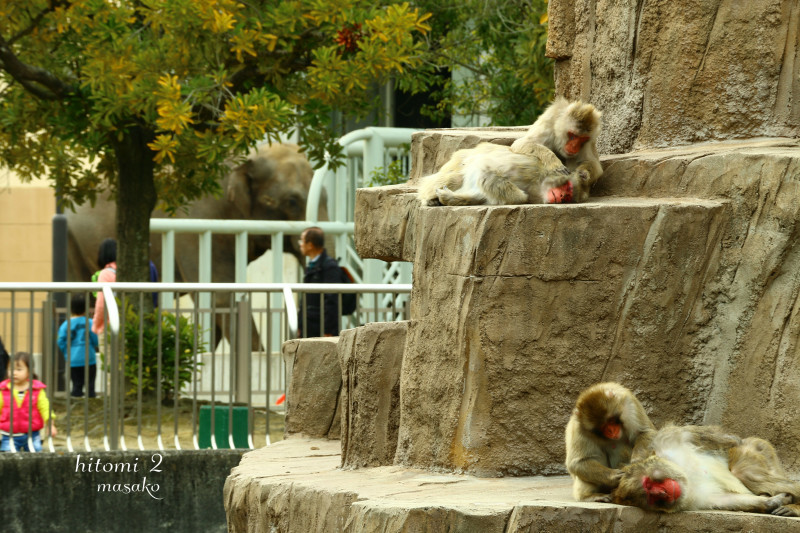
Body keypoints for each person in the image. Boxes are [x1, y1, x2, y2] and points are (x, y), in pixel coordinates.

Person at [0, 352, 57, 452]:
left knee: (35, 455)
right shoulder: (4, 389)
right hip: (9, 435)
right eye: (10, 369)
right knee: (8, 457)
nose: (14, 373)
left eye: (19, 369)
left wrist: (50, 425)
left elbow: (45, 408)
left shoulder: (36, 389)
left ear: (29, 371)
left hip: (32, 434)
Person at [297, 227, 345, 337]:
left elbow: (331, 299)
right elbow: (305, 299)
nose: (300, 244)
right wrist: (300, 325)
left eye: (302, 240)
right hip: (308, 326)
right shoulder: (312, 266)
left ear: (310, 245)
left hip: (322, 328)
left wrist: (329, 330)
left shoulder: (329, 266)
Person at [57, 294, 99, 398]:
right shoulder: (90, 322)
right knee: (90, 386)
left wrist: (67, 353)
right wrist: (93, 345)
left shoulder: (67, 324)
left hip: (73, 360)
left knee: (76, 386)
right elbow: (95, 339)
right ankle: (90, 404)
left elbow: (60, 340)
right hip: (89, 358)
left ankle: (75, 404)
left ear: (71, 308)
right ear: (86, 308)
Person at [92, 238, 117, 334]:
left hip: (108, 327)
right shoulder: (125, 272)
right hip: (128, 326)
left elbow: (101, 304)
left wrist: (96, 325)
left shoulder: (105, 274)